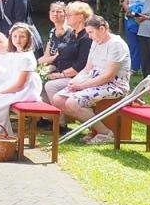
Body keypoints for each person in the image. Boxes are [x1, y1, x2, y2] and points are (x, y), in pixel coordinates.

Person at [54, 16, 131, 144]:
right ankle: (93, 128)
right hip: (94, 79)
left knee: (72, 103)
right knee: (58, 99)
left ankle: (105, 133)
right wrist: (75, 81)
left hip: (114, 84)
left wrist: (82, 86)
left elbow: (108, 76)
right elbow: (87, 68)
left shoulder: (116, 44)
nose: (89, 36)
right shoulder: (96, 42)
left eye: (91, 32)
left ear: (102, 29)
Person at [40, 2, 92, 104]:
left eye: (69, 15)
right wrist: (49, 69)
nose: (66, 17)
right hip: (62, 72)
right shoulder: (72, 34)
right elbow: (61, 55)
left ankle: (59, 118)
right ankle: (46, 117)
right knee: (38, 80)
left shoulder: (86, 37)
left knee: (50, 85)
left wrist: (60, 75)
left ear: (80, 17)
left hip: (77, 77)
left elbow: (81, 65)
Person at [122, 0, 149, 74]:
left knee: (144, 44)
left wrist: (139, 15)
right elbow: (125, 2)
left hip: (143, 19)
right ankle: (134, 67)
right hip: (130, 18)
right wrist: (128, 10)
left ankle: (146, 67)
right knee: (133, 44)